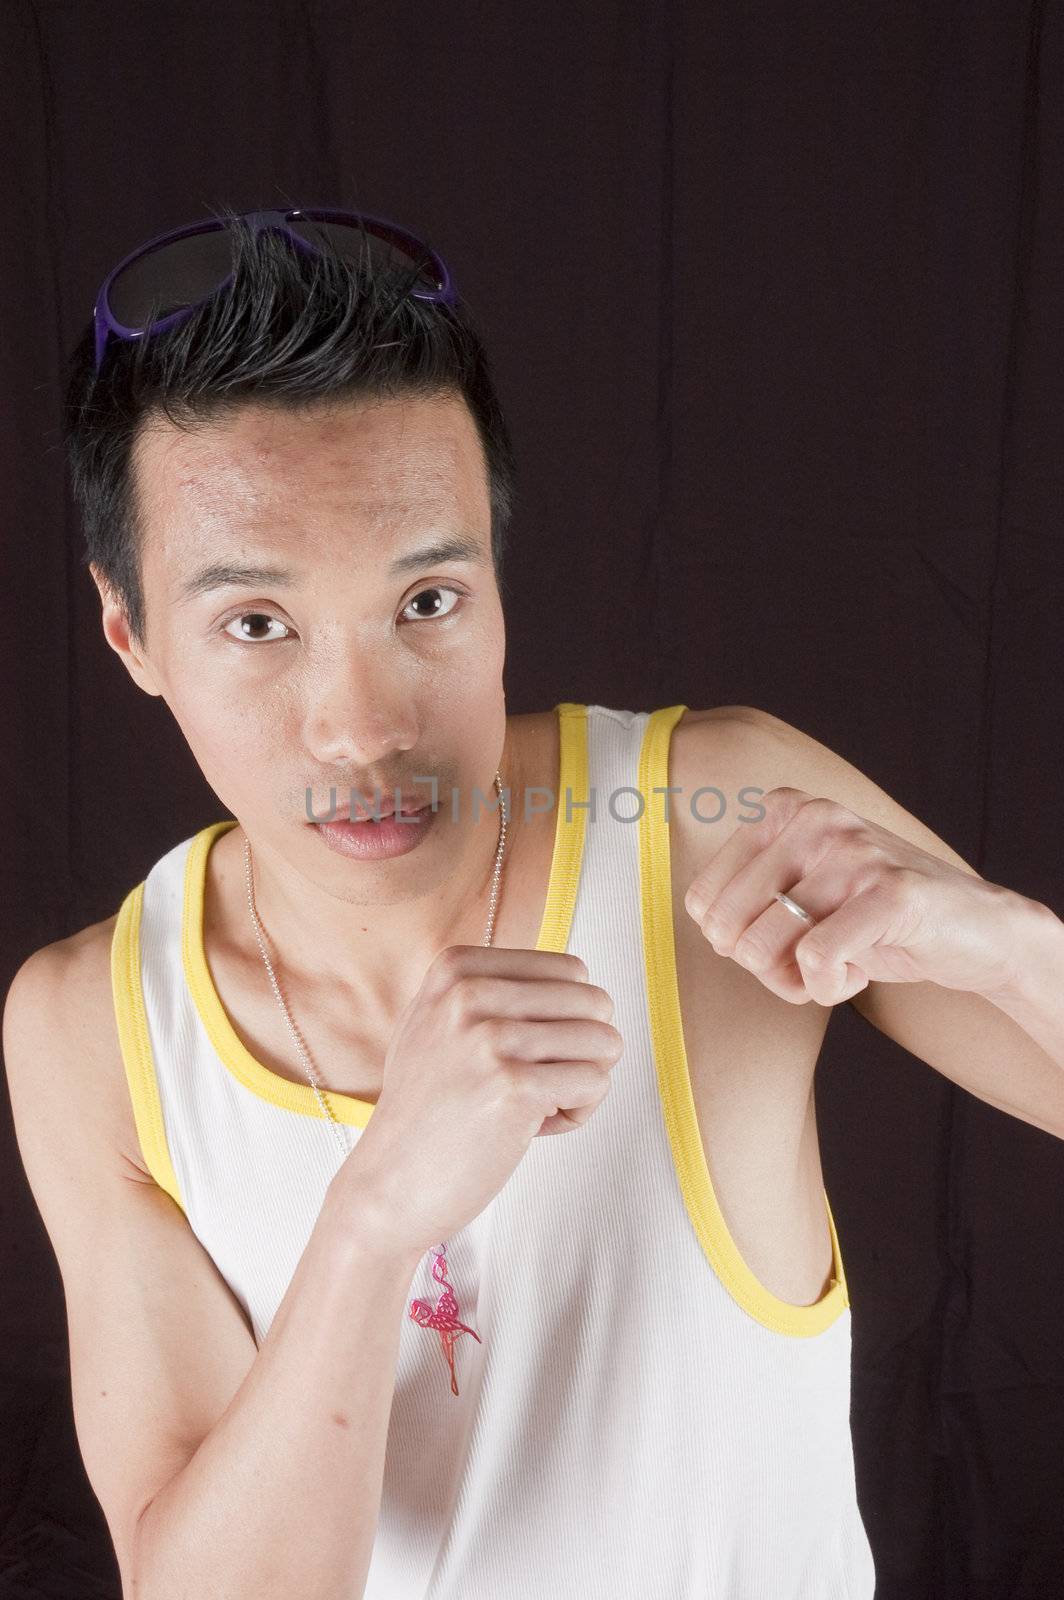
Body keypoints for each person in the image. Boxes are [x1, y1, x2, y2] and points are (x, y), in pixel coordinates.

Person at [5, 206, 1063, 1600]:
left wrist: (1015, 945)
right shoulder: (95, 1025)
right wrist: (375, 1212)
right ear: (132, 634)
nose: (360, 726)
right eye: (256, 626)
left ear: (498, 582)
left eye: (428, 601)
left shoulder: (708, 820)